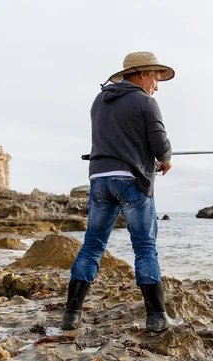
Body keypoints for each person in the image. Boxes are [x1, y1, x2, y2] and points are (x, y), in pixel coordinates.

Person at [62, 51, 179, 332]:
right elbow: (160, 146)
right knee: (145, 247)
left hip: (99, 179)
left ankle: (71, 314)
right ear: (141, 74)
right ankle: (156, 316)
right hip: (131, 181)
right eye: (155, 77)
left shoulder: (99, 101)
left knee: (92, 246)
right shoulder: (146, 101)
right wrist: (166, 159)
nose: (157, 85)